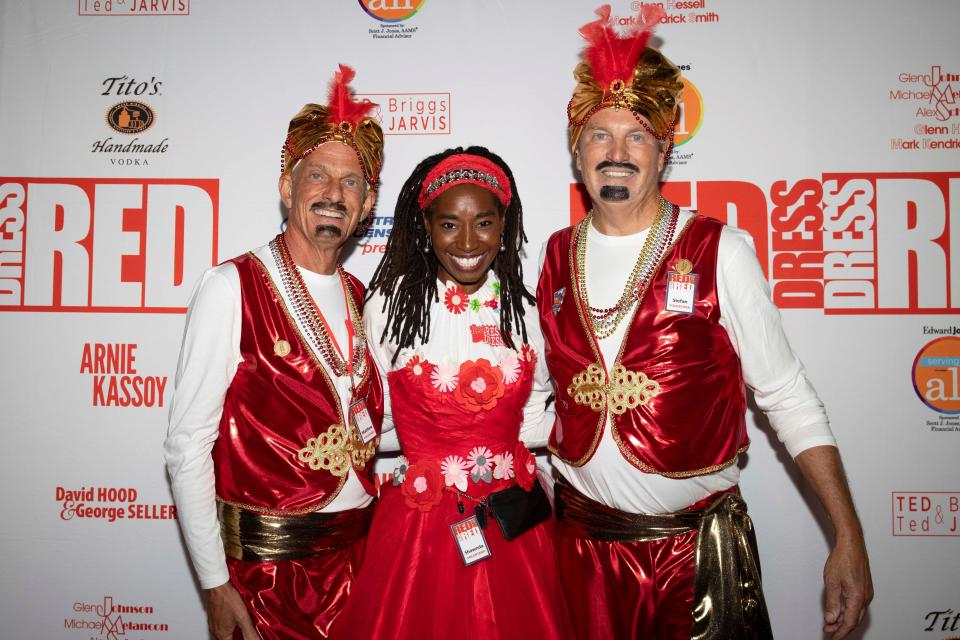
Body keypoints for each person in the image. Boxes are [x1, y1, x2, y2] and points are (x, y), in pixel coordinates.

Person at [536, 6, 873, 639]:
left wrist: (846, 534)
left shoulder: (723, 250)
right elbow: (534, 398)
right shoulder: (554, 255)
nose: (616, 153)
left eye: (636, 136)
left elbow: (788, 397)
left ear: (664, 150)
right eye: (599, 135)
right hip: (578, 553)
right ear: (576, 149)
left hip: (693, 560)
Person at [164, 65, 385, 640]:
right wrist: (215, 585)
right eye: (318, 176)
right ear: (287, 186)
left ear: (367, 205)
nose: (334, 195)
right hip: (267, 579)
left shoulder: (363, 298)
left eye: (352, 183)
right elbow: (188, 447)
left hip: (360, 566)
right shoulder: (230, 286)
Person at [332, 147, 573, 639]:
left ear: (505, 224)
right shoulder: (386, 307)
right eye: (449, 224)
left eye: (483, 222)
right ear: (425, 225)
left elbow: (531, 414)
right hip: (418, 527)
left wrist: (594, 430)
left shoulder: (524, 312)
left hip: (514, 521)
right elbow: (370, 418)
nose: (467, 240)